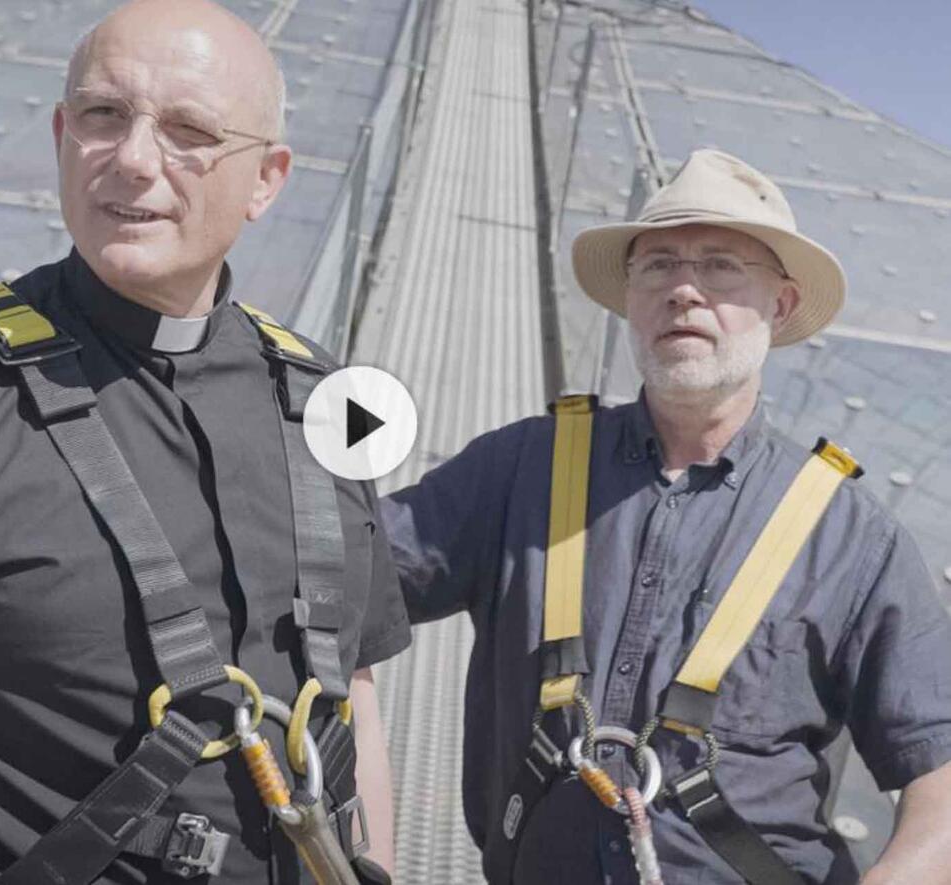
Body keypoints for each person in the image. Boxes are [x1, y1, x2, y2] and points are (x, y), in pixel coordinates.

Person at [0, 1, 410, 883]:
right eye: (104, 116)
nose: (135, 160)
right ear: (63, 136)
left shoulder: (323, 398)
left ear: (267, 180)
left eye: (189, 130)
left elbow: (353, 699)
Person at [381, 149, 951, 884]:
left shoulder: (851, 538)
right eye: (657, 266)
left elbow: (940, 779)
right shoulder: (522, 467)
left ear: (778, 307)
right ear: (629, 298)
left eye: (719, 266)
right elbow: (345, 580)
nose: (683, 289)